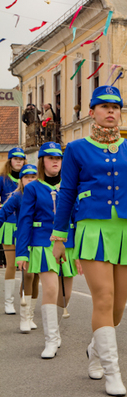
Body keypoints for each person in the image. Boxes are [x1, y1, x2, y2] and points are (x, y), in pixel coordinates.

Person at [51, 86, 127, 396]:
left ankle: (95, 349)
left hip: (126, 231)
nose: (110, 111)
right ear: (92, 111)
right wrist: (60, 234)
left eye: (115, 106)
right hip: (93, 229)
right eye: (104, 106)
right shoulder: (76, 149)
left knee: (117, 307)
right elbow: (67, 194)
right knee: (103, 297)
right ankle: (113, 372)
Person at [15, 143, 77, 357]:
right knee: (50, 289)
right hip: (42, 243)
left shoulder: (70, 186)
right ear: (42, 161)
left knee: (64, 296)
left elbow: (76, 218)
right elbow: (24, 221)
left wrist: (78, 250)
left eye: (58, 158)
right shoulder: (33, 187)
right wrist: (22, 251)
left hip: (67, 245)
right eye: (50, 158)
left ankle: (56, 331)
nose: (55, 161)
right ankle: (50, 340)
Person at [0, 164, 38, 331]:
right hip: (23, 238)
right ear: (21, 180)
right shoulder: (17, 195)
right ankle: (24, 317)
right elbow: (3, 213)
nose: (30, 180)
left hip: (40, 240)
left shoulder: (43, 193)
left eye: (33, 177)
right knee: (28, 274)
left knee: (36, 277)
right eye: (27, 177)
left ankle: (30, 315)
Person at [0, 147, 26, 314]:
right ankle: (8, 302)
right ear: (10, 161)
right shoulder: (2, 179)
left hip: (26, 225)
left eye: (21, 158)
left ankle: (25, 297)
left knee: (26, 266)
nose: (18, 161)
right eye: (15, 158)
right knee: (11, 264)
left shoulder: (29, 178)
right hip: (8, 225)